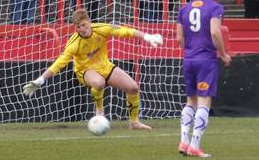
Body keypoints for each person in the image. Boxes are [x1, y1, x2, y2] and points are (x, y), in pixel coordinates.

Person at [22, 8, 164, 130]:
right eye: (78, 27)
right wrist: (40, 80)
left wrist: (147, 36)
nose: (81, 29)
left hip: (105, 67)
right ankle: (99, 112)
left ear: (89, 22)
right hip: (85, 72)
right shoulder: (74, 43)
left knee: (133, 88)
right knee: (99, 82)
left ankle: (134, 122)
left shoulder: (101, 29)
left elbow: (125, 31)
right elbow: (59, 63)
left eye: (83, 25)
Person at [176, 0, 231, 158]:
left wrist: (190, 49)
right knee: (204, 100)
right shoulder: (215, 7)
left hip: (189, 59)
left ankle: (183, 141)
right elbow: (215, 32)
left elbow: (179, 39)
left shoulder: (184, 8)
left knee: (190, 100)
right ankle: (195, 145)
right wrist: (223, 54)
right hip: (206, 59)